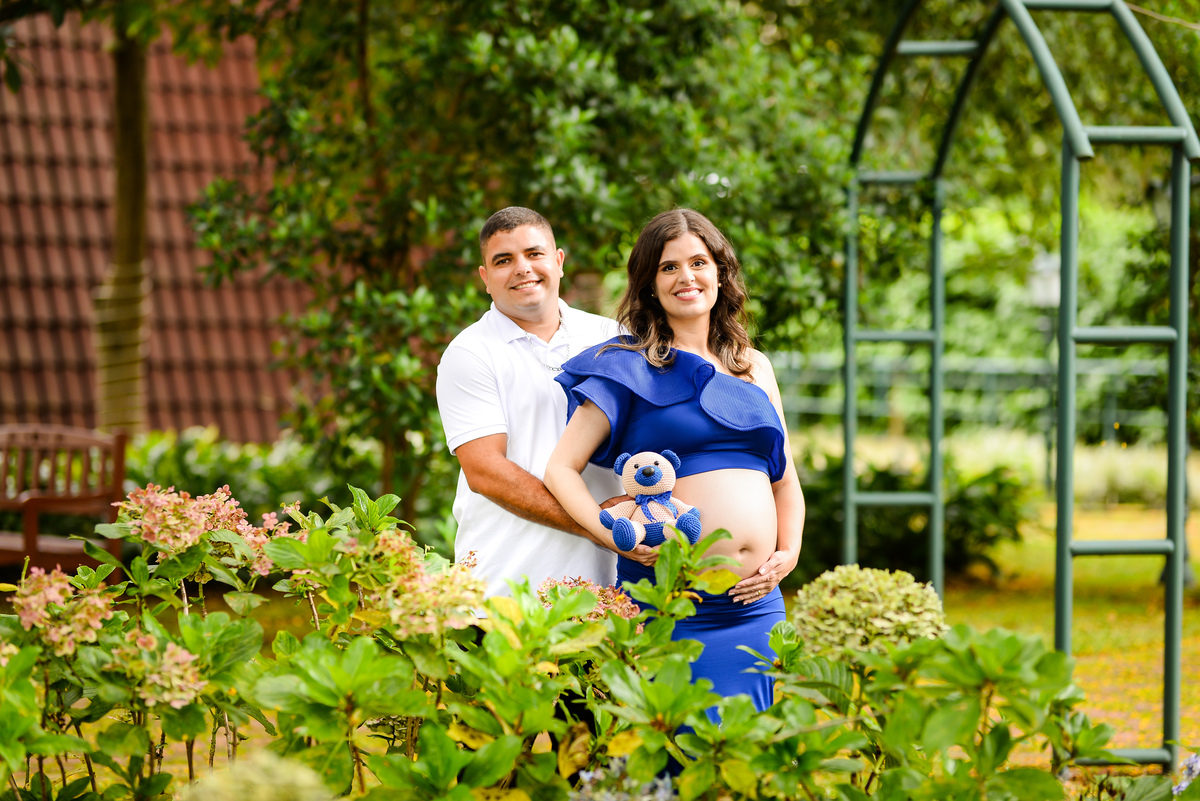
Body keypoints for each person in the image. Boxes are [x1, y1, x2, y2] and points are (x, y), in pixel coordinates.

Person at [544, 208, 804, 714]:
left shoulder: (753, 366)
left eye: (699, 262)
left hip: (756, 605)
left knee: (751, 765)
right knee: (672, 758)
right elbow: (560, 469)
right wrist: (607, 532)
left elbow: (785, 482)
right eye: (669, 267)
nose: (687, 277)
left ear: (720, 273)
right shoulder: (624, 364)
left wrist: (789, 553)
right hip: (670, 603)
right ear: (648, 285)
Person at [436, 206, 648, 598]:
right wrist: (596, 525)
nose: (522, 268)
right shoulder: (469, 353)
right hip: (505, 591)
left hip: (610, 588)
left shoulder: (613, 338)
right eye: (503, 260)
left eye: (534, 254)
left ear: (558, 261)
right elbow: (485, 471)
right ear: (485, 278)